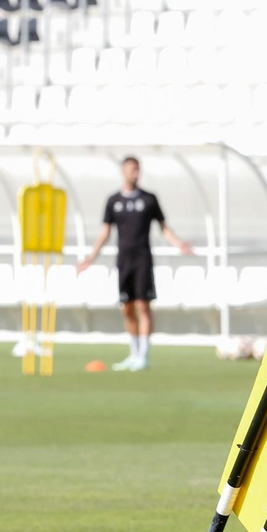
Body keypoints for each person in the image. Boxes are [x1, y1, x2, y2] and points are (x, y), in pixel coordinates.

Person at [76, 156, 192, 371]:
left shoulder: (149, 199)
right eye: (132, 169)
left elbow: (163, 227)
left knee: (143, 306)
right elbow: (105, 232)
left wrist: (179, 244)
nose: (136, 173)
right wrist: (90, 258)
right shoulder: (113, 201)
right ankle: (134, 353)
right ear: (123, 172)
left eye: (138, 169)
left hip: (143, 259)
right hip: (123, 260)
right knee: (127, 308)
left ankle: (143, 356)